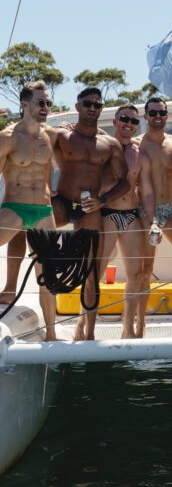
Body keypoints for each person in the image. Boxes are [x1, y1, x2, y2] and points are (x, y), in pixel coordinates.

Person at [52, 87, 130, 340]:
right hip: (63, 202)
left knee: (92, 273)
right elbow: (36, 153)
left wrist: (103, 200)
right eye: (88, 103)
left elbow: (125, 182)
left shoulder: (109, 143)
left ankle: (89, 334)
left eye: (97, 104)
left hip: (89, 209)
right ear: (78, 107)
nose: (93, 108)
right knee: (30, 232)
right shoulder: (61, 135)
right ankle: (48, 327)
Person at [0, 81, 59, 340]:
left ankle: (52, 334)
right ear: (24, 104)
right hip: (15, 207)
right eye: (40, 102)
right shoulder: (8, 137)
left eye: (48, 103)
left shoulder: (51, 135)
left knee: (47, 275)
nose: (45, 107)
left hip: (43, 211)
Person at [100, 104, 155, 338]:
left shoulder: (140, 154)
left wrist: (154, 222)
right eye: (124, 119)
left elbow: (148, 192)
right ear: (114, 121)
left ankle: (128, 328)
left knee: (136, 274)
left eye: (133, 121)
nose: (128, 124)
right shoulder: (101, 148)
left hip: (130, 215)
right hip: (106, 215)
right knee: (96, 271)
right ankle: (84, 326)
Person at [135, 96, 172, 320]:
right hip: (144, 213)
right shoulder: (136, 143)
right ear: (145, 116)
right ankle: (139, 320)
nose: (157, 117)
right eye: (153, 113)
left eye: (161, 113)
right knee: (145, 269)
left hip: (169, 210)